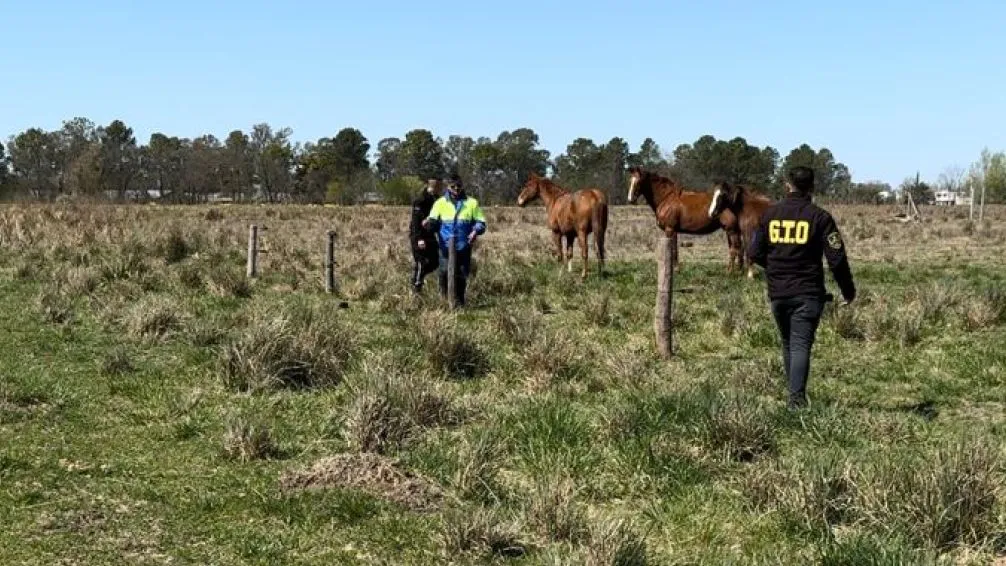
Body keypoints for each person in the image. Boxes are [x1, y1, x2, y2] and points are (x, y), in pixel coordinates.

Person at [748, 166, 856, 409]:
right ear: (813, 187)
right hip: (807, 293)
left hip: (778, 293)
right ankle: (796, 401)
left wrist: (775, 269)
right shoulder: (820, 217)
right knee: (799, 344)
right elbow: (837, 258)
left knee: (788, 343)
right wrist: (848, 290)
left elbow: (753, 252)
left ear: (787, 185)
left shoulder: (769, 216)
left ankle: (793, 394)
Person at [422, 174, 487, 307]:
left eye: (459, 186)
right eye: (453, 186)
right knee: (444, 272)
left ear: (462, 186)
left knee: (462, 274)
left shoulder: (472, 203)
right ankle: (444, 300)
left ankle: (460, 302)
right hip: (445, 246)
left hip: (464, 245)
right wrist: (428, 223)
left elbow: (481, 222)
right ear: (448, 187)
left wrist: (475, 231)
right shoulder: (440, 203)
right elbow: (433, 220)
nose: (456, 189)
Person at [409, 178, 442, 293]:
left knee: (435, 261)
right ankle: (416, 288)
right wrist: (419, 239)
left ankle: (419, 275)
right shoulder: (420, 200)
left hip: (430, 234)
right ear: (432, 186)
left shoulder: (438, 199)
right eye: (438, 186)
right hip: (419, 236)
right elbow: (415, 222)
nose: (440, 188)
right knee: (421, 262)